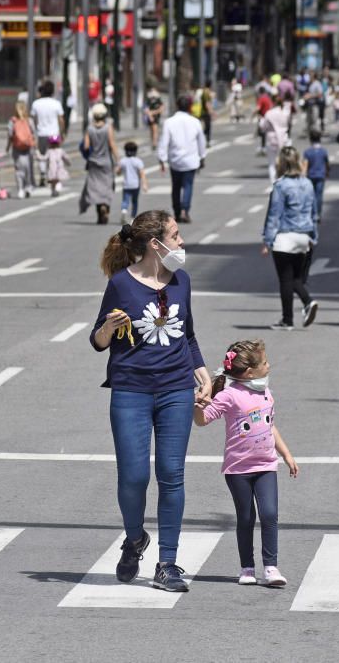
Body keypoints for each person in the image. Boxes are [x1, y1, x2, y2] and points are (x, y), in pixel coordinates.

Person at [90, 210, 211, 592]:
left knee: (172, 476)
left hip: (176, 388)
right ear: (155, 245)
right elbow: (97, 340)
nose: (182, 242)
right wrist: (109, 327)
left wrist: (201, 370)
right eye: (175, 236)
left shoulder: (182, 282)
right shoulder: (121, 285)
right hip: (131, 390)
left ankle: (168, 563)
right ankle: (135, 537)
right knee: (134, 477)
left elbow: (187, 335)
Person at [193, 340, 299, 586]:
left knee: (270, 514)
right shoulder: (230, 395)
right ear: (250, 372)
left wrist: (286, 454)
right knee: (246, 518)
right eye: (264, 363)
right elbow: (202, 420)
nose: (269, 365)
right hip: (238, 469)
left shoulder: (266, 392)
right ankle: (247, 568)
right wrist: (197, 406)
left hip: (266, 465)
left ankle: (271, 567)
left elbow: (270, 426)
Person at [262, 147, 319, 331]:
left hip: (285, 237)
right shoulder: (308, 184)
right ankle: (304, 305)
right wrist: (313, 236)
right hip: (304, 236)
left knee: (286, 280)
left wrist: (267, 240)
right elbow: (314, 212)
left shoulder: (280, 185)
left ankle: (290, 317)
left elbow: (274, 215)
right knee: (296, 278)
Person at [157, 94, 206, 224]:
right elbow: (201, 141)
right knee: (188, 185)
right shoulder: (195, 122)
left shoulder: (169, 122)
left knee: (176, 187)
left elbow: (164, 142)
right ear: (189, 106)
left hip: (175, 160)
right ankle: (185, 210)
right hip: (191, 160)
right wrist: (202, 157)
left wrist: (162, 158)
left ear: (177, 106)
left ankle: (177, 211)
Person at [79, 103, 119, 224]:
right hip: (106, 162)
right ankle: (105, 207)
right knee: (107, 187)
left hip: (93, 162)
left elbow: (86, 146)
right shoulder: (108, 127)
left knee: (96, 188)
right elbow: (112, 144)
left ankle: (99, 214)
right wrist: (118, 160)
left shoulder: (89, 128)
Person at [30, 81, 65, 186]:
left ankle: (43, 173)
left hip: (41, 133)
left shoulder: (36, 104)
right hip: (54, 133)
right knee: (54, 155)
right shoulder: (56, 103)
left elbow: (33, 119)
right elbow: (61, 120)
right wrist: (62, 132)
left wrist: (35, 130)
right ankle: (53, 175)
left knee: (42, 154)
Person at [4, 100, 35, 199]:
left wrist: (8, 147)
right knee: (28, 169)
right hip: (28, 148)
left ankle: (20, 189)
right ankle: (28, 187)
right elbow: (33, 134)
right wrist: (35, 146)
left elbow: (10, 135)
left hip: (17, 148)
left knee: (18, 170)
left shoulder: (12, 121)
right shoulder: (29, 120)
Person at [260, 93, 292, 183]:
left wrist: (261, 121)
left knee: (272, 164)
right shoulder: (286, 112)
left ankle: (274, 184)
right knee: (285, 163)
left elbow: (263, 127)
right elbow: (289, 124)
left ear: (272, 102)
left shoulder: (269, 113)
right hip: (284, 139)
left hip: (272, 140)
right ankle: (285, 182)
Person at [302, 129, 329, 221]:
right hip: (321, 175)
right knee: (319, 195)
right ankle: (318, 213)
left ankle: (312, 213)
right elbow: (326, 164)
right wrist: (327, 172)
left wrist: (303, 175)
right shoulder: (323, 151)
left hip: (310, 176)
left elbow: (305, 165)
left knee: (311, 195)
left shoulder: (308, 152)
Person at [118, 141, 149, 225]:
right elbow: (142, 173)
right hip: (135, 185)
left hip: (126, 184)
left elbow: (118, 171)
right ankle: (132, 218)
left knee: (125, 200)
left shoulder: (123, 161)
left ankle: (124, 211)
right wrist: (145, 184)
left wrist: (118, 171)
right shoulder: (138, 161)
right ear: (135, 151)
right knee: (134, 202)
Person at [254, 86, 274, 155]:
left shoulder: (261, 98)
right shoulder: (268, 98)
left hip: (263, 117)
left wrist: (253, 114)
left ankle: (264, 147)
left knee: (262, 133)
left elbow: (258, 108)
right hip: (269, 117)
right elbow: (271, 106)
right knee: (266, 133)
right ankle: (264, 147)